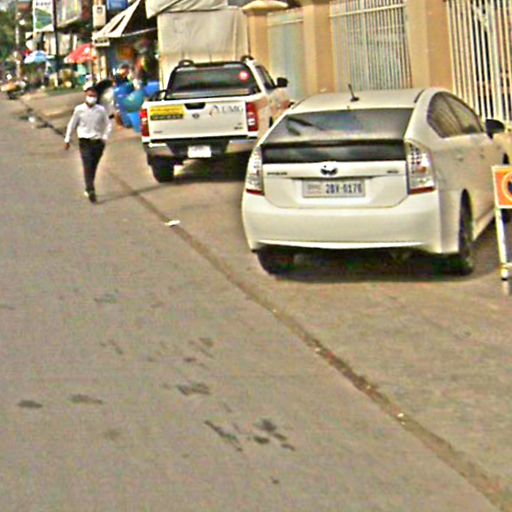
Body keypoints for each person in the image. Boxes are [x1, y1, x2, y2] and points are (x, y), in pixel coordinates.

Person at [64, 87, 111, 203]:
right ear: (85, 96)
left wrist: (104, 137)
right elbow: (72, 124)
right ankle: (91, 190)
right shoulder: (79, 110)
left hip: (98, 142)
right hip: (85, 141)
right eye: (89, 96)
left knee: (93, 166)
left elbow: (108, 124)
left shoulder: (100, 110)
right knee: (87, 164)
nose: (91, 98)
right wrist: (67, 139)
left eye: (94, 96)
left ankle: (89, 186)